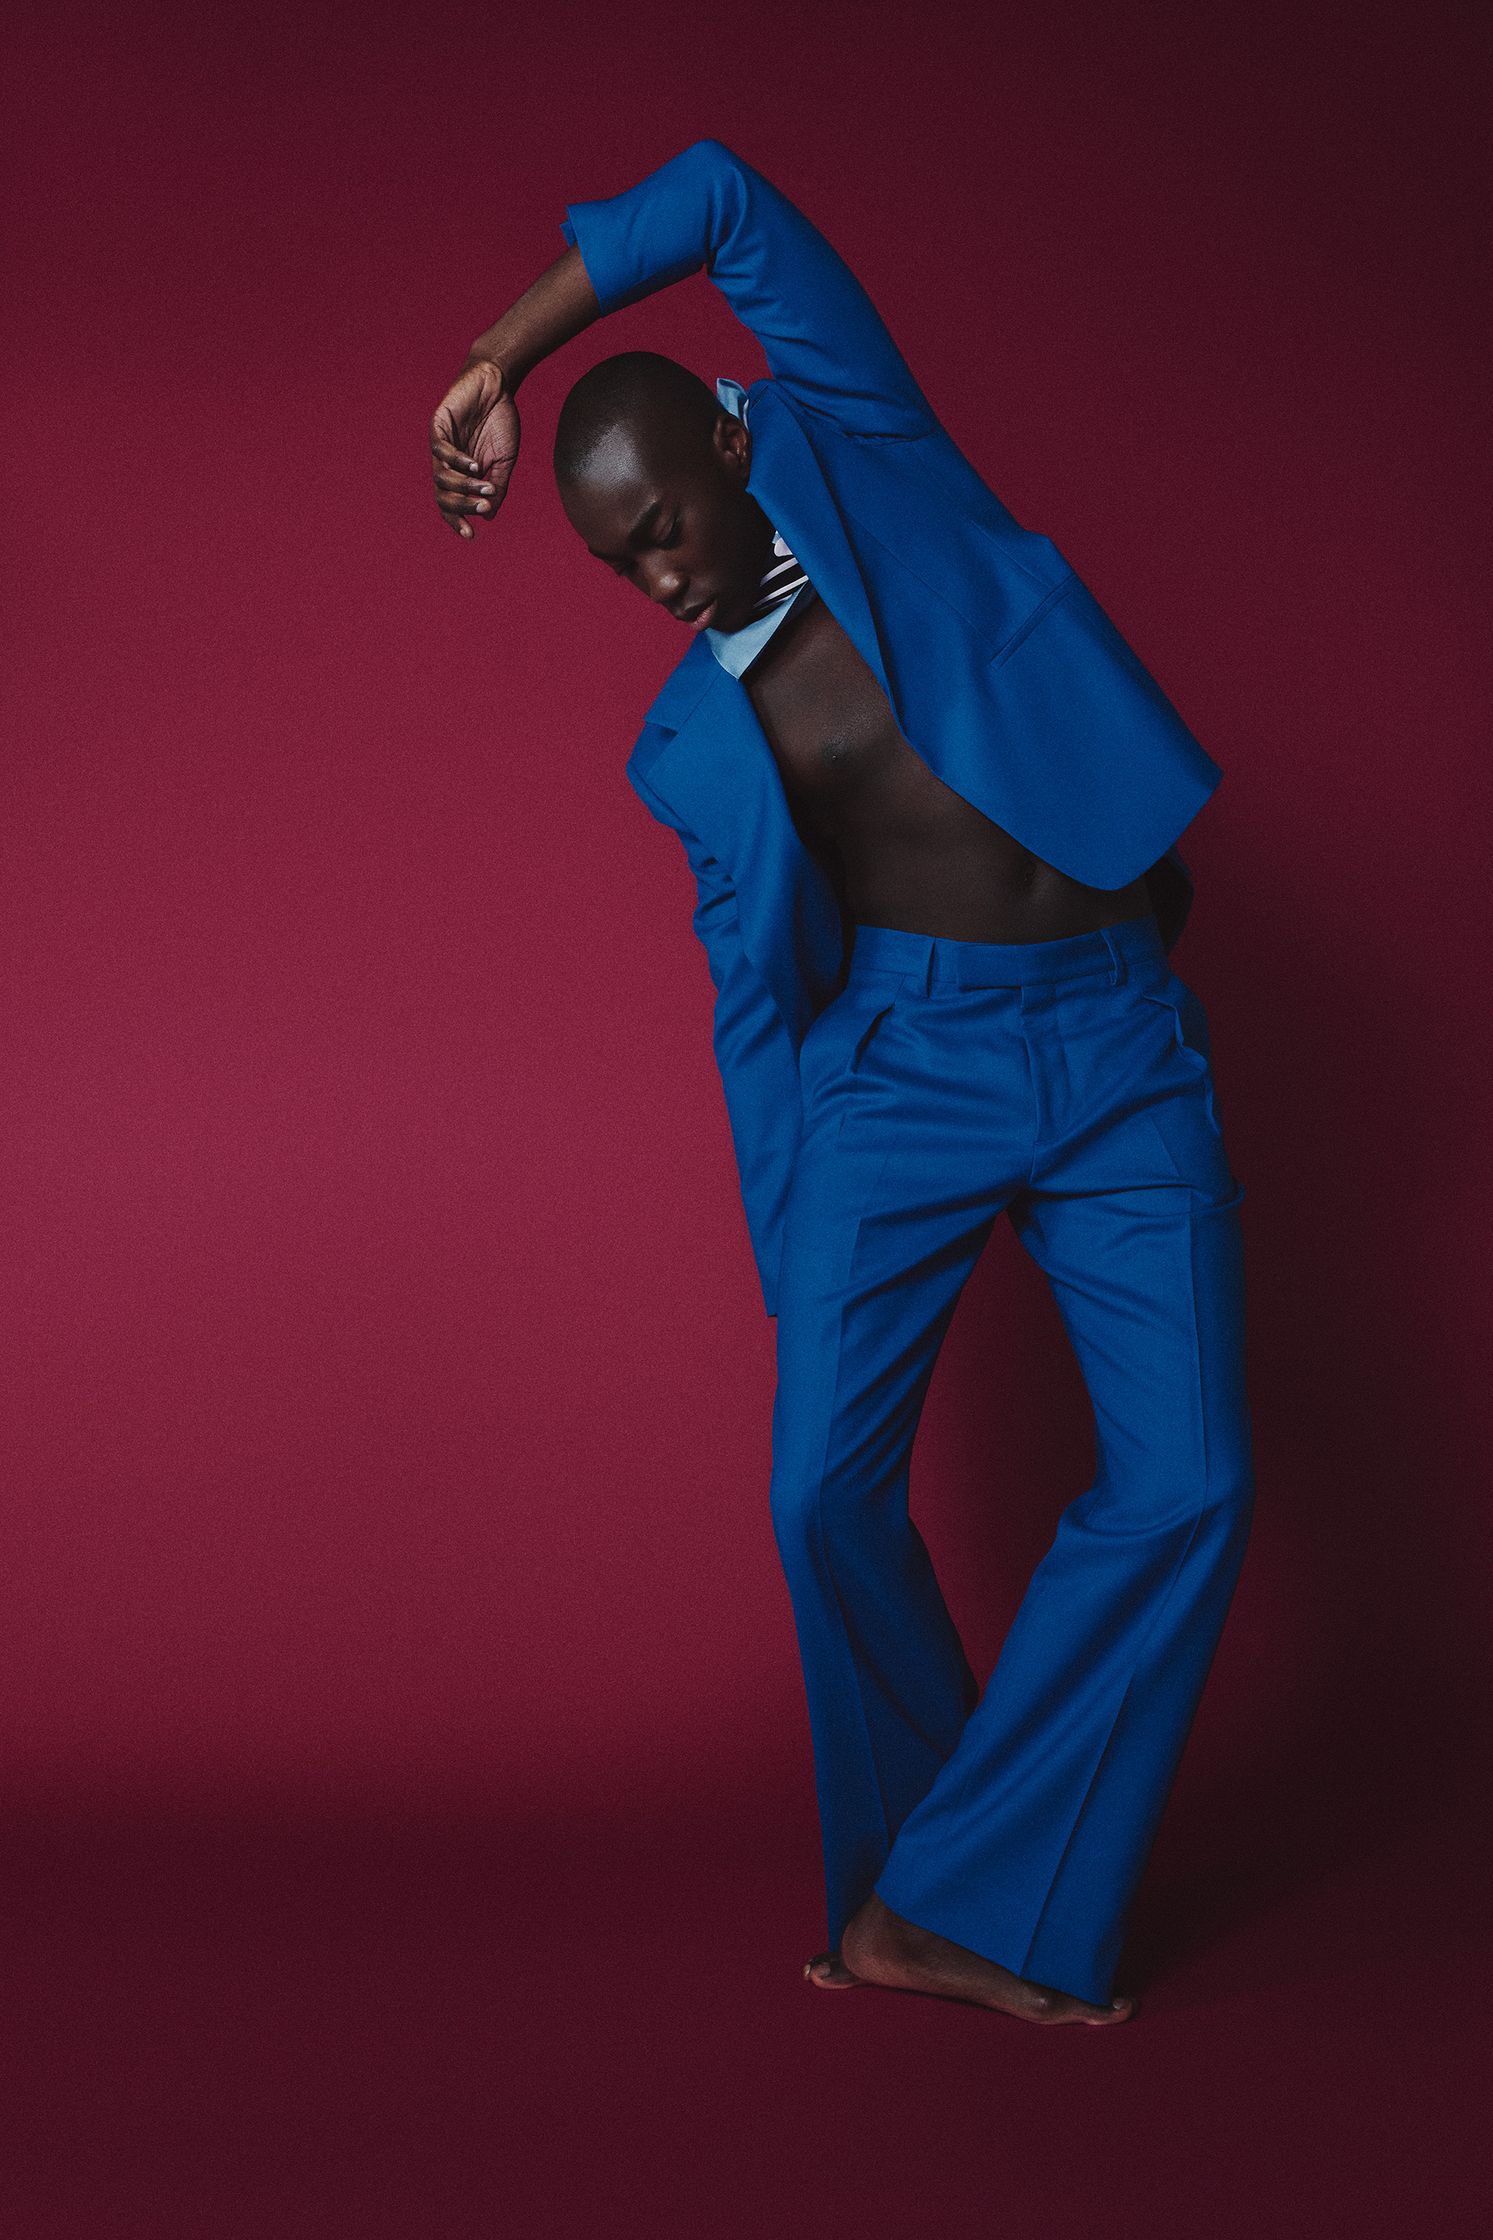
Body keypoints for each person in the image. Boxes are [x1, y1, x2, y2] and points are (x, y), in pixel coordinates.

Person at [426, 140, 1255, 2028]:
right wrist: (797, 1240)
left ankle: (959, 1898)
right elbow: (750, 1000)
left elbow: (719, 198)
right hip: (903, 1058)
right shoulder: (687, 755)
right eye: (613, 560)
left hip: (1116, 1037)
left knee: (1192, 1480)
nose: (651, 572)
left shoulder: (858, 447)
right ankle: (910, 1897)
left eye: (661, 525)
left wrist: (496, 358)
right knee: (820, 1494)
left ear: (726, 448)